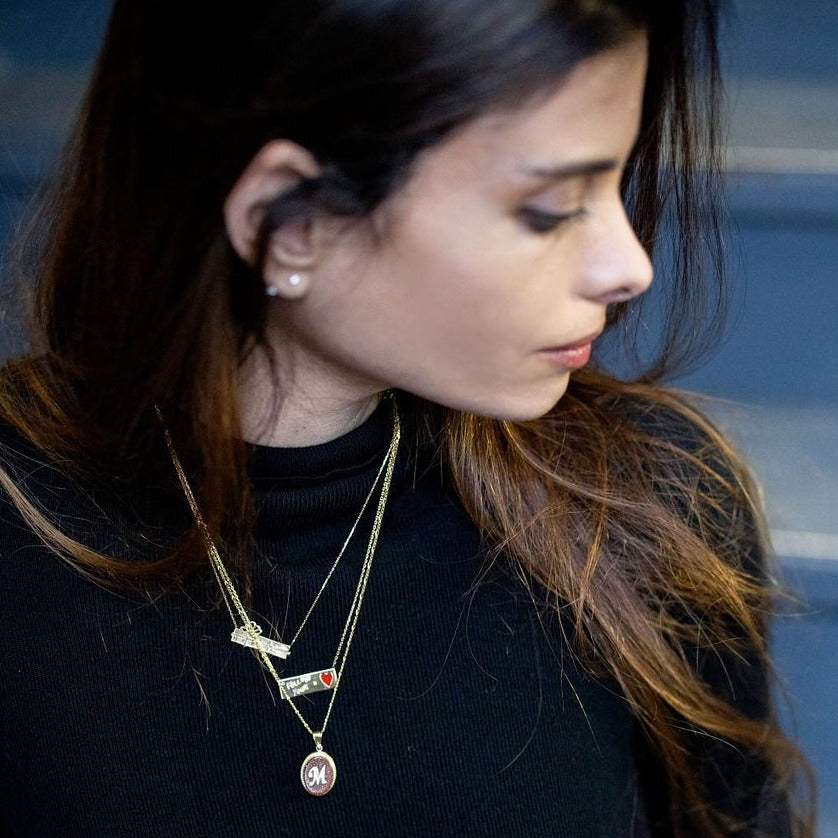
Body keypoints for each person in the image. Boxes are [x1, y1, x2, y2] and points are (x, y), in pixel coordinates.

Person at [0, 1, 815, 835]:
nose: (630, 265)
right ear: (292, 221)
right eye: (550, 207)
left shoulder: (647, 509)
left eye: (616, 180)